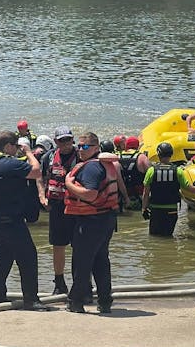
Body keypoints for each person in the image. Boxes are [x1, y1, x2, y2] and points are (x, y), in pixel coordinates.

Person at [0, 130, 48, 310]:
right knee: (28, 257)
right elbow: (36, 171)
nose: (16, 150)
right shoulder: (6, 164)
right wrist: (28, 152)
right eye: (15, 146)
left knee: (3, 257)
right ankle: (31, 300)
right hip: (10, 219)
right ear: (8, 146)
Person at [63, 132, 119, 314]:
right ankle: (105, 301)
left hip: (91, 222)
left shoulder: (91, 168)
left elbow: (90, 194)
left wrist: (68, 183)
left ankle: (76, 302)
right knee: (101, 261)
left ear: (96, 148)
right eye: (78, 146)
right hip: (105, 220)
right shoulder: (104, 165)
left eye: (85, 146)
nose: (80, 150)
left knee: (83, 263)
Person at [39, 126, 78, 295]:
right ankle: (59, 282)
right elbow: (39, 178)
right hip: (56, 206)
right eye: (62, 140)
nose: (66, 143)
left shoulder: (81, 156)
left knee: (80, 246)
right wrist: (42, 197)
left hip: (78, 206)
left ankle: (81, 282)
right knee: (58, 245)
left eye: (68, 139)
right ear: (55, 142)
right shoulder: (48, 158)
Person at [141, 142, 195, 236]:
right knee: (168, 236)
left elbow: (146, 193)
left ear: (158, 154)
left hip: (156, 210)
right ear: (171, 154)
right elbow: (188, 188)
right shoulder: (178, 171)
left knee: (154, 237)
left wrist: (144, 209)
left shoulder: (151, 171)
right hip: (172, 210)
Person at [119, 136, 150, 209]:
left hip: (123, 196)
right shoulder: (142, 157)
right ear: (137, 145)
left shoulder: (117, 156)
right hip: (139, 195)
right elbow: (151, 174)